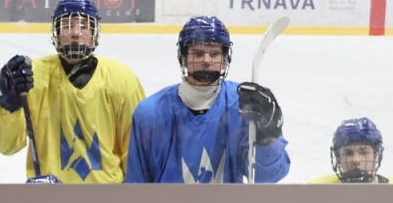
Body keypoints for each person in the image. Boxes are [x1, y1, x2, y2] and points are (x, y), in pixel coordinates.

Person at [0, 0, 146, 184]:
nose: (75, 33)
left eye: (83, 26)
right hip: (47, 197)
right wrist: (8, 108)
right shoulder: (32, 76)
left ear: (94, 33)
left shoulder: (122, 79)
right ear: (55, 32)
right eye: (66, 26)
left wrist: (135, 199)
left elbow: (136, 152)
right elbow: (6, 146)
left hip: (108, 199)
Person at [125, 15, 291, 185]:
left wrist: (268, 138)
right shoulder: (151, 112)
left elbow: (269, 176)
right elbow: (137, 182)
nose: (206, 61)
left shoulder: (243, 104)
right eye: (198, 53)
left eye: (214, 53)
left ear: (225, 58)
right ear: (183, 57)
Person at [309, 117, 393, 184]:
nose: (356, 160)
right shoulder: (316, 191)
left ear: (378, 156)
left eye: (363, 152)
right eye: (348, 153)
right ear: (338, 158)